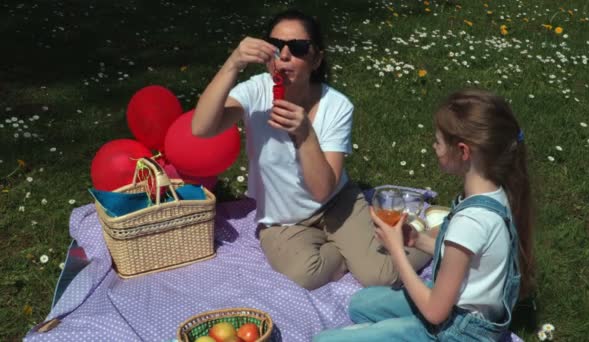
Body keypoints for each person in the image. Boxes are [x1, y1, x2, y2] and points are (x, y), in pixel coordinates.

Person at [191, 9, 430, 290]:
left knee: (380, 275)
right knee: (305, 275)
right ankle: (349, 253)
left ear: (316, 58)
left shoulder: (336, 105)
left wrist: (305, 134)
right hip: (284, 220)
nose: (285, 55)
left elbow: (323, 190)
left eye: (299, 48)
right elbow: (201, 128)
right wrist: (233, 64)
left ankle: (436, 239)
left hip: (336, 203)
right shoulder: (256, 91)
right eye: (276, 46)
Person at [314, 90, 535, 341]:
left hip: (457, 331)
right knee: (360, 303)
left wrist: (397, 251)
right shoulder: (496, 194)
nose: (434, 146)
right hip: (455, 306)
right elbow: (466, 258)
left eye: (438, 141)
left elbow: (434, 312)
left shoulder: (471, 222)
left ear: (463, 151)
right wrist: (417, 240)